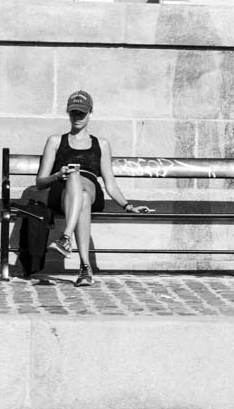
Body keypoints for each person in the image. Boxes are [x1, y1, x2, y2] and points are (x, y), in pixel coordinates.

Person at [33, 90, 152, 286]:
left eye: (82, 113)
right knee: (79, 188)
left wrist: (128, 206)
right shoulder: (55, 141)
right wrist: (57, 175)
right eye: (73, 113)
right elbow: (40, 182)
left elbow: (110, 183)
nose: (77, 117)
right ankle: (84, 268)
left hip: (91, 190)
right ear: (68, 113)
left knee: (82, 186)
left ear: (90, 113)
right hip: (62, 194)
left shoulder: (101, 144)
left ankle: (66, 237)